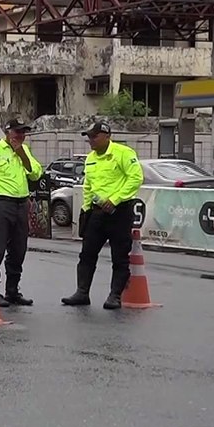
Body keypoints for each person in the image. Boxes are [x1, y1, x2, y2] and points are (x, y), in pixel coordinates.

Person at [62, 121, 144, 310]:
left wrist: (115, 199)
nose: (90, 140)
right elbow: (88, 186)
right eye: (89, 137)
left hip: (119, 212)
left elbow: (135, 178)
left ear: (107, 136)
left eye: (94, 136)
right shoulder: (90, 158)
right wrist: (86, 210)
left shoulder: (123, 153)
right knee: (86, 254)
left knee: (120, 256)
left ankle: (115, 296)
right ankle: (82, 292)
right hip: (97, 213)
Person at [0, 118, 44, 307]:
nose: (20, 136)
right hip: (1, 204)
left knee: (18, 250)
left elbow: (36, 173)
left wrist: (22, 154)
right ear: (7, 132)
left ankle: (12, 291)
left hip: (21, 204)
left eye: (23, 132)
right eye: (17, 132)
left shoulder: (24, 150)